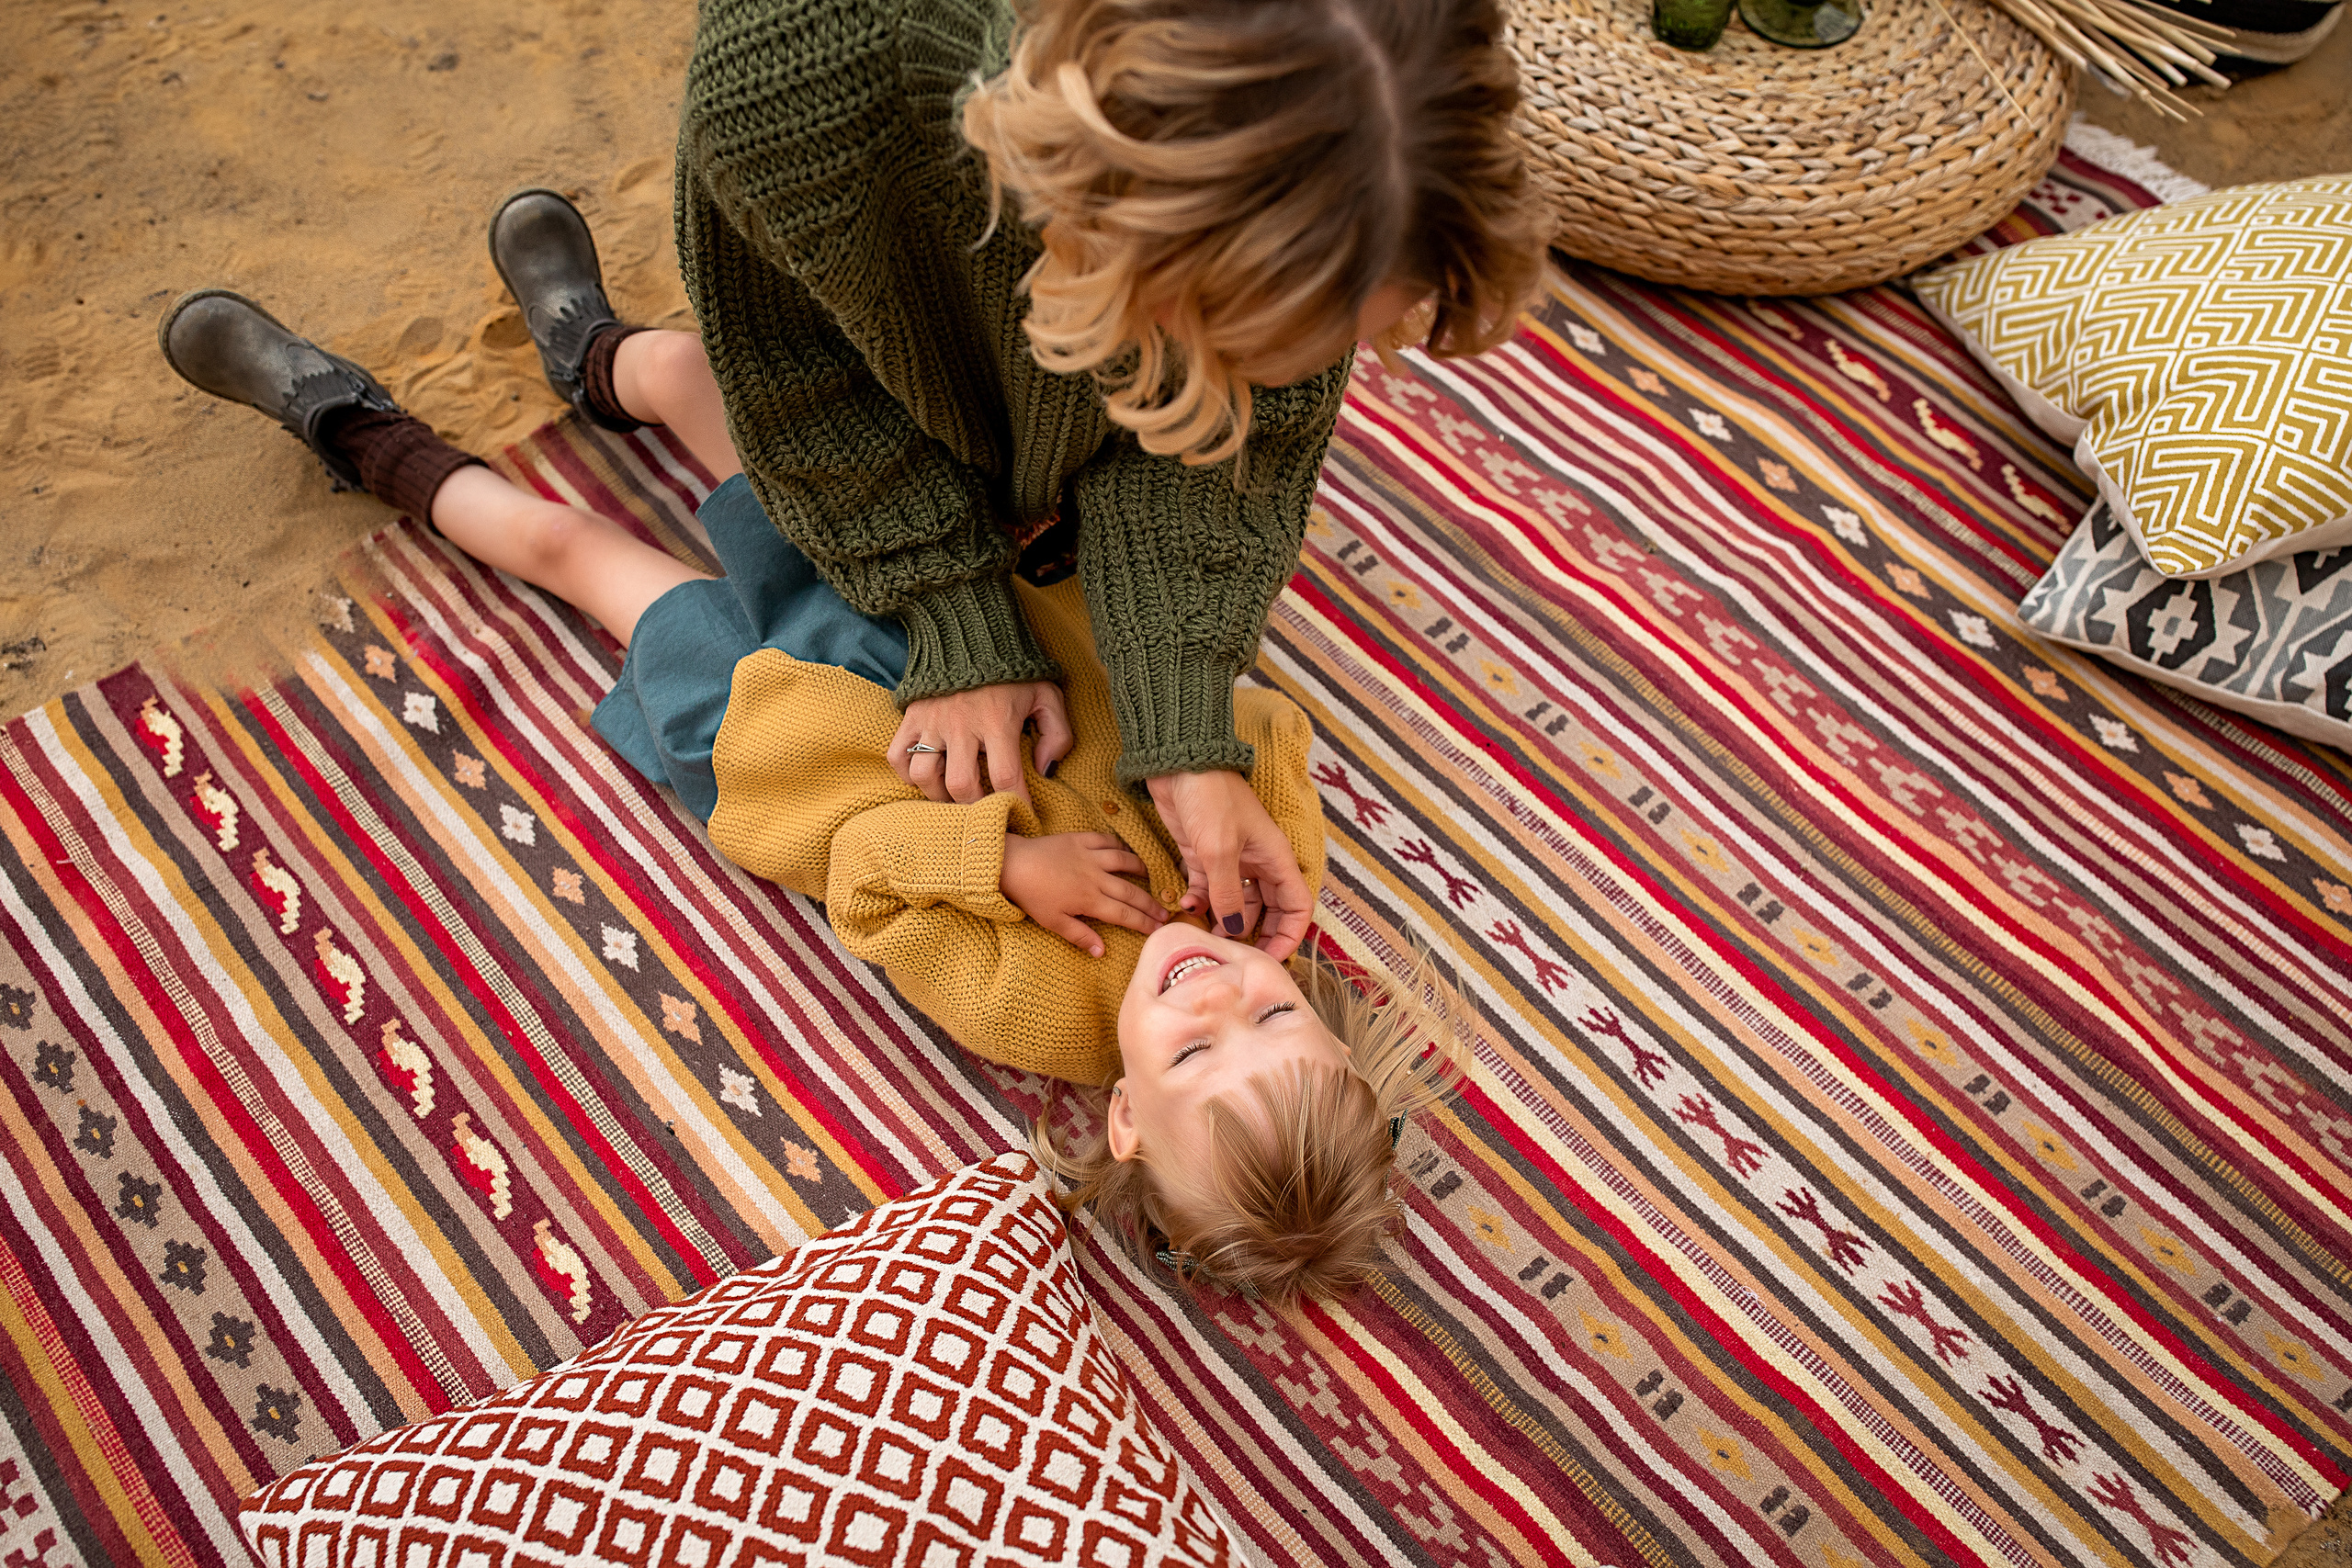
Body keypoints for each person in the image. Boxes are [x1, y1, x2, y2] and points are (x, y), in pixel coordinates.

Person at [159, 196, 1472, 1301]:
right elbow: (1258, 712)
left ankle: (350, 427)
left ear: (1125, 1115)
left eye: (1191, 1053)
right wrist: (1223, 773)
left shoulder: (1043, 1014)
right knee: (704, 386)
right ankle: (592, 350)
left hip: (788, 736)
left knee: (572, 549)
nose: (1215, 995)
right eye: (1275, 1013)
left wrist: (1003, 869)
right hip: (940, 621)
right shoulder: (1264, 877)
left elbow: (865, 882)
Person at [661, 0, 1544, 957]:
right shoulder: (787, 78)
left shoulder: (1353, 133)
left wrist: (1181, 723)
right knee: (710, 406)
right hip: (868, 354)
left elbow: (1233, 438)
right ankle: (620, 362)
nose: (1276, 381)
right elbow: (797, 373)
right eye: (1230, 341)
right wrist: (952, 609)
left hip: (1024, 382)